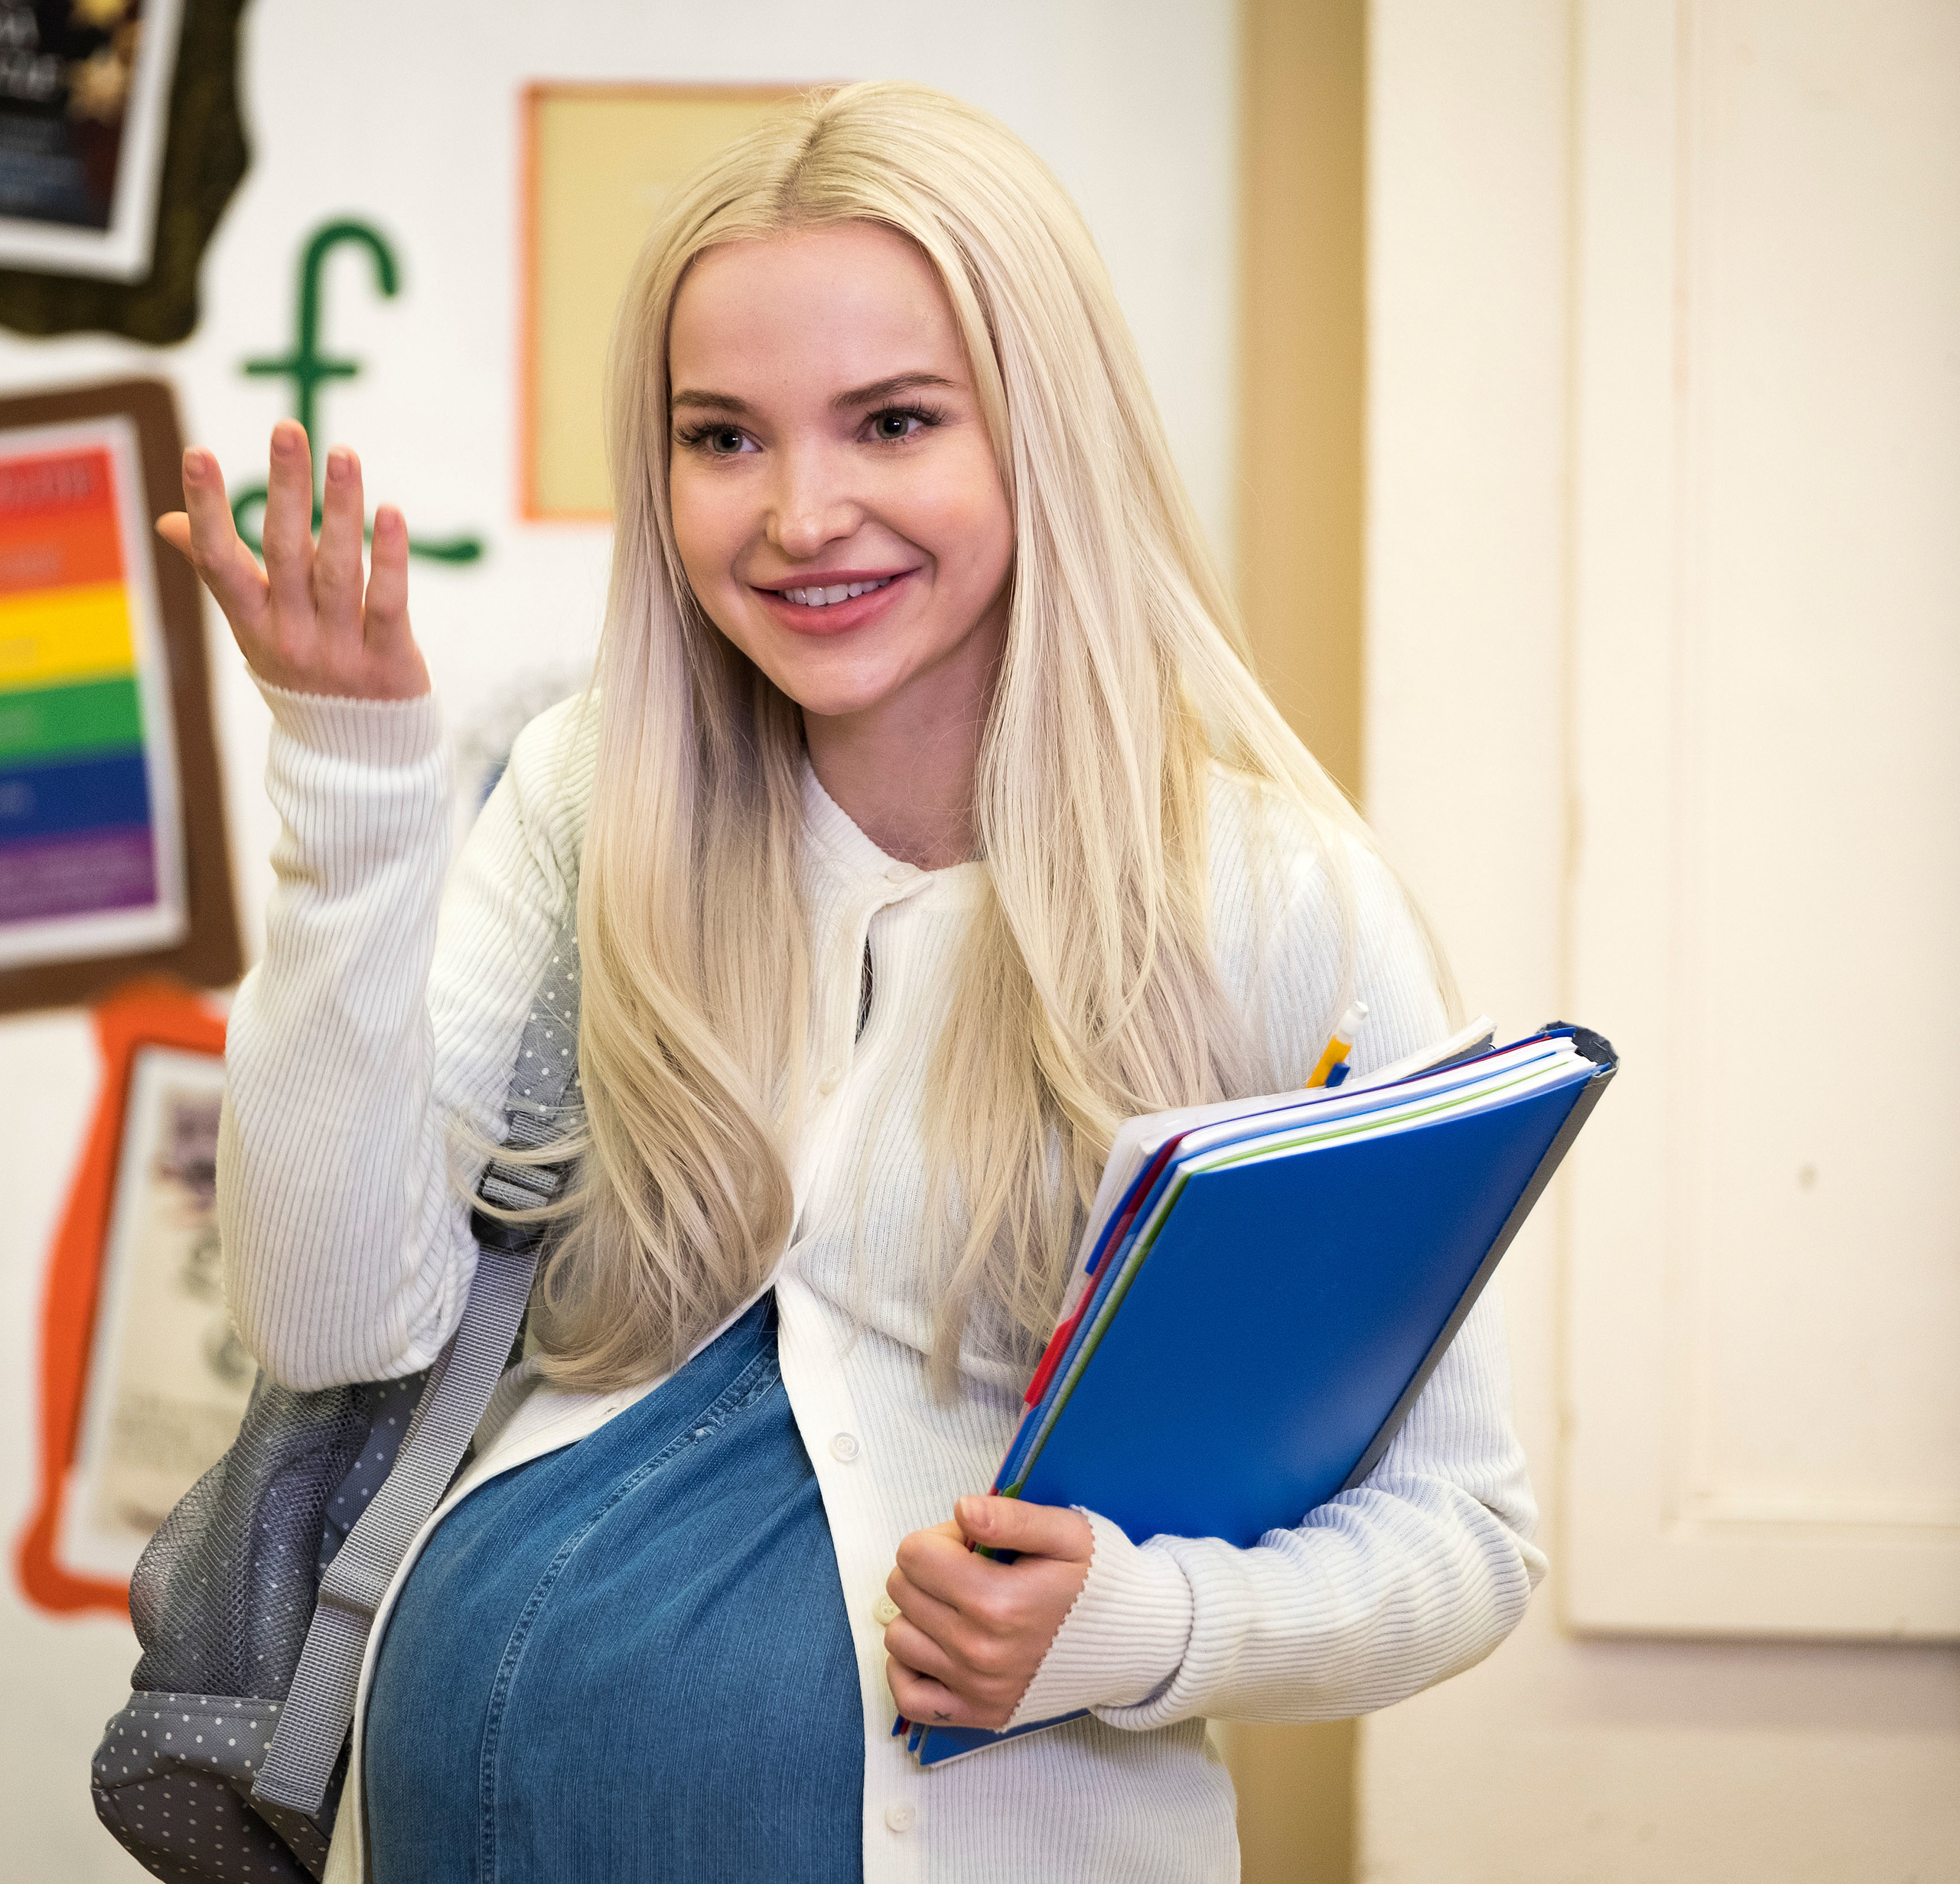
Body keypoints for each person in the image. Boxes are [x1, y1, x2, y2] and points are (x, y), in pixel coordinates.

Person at [157, 79, 1541, 1884]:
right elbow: (335, 1319)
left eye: (890, 421)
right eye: (721, 437)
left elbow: (1465, 1534)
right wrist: (350, 791)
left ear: (1043, 430)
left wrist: (1142, 1624)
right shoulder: (592, 802)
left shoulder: (1261, 898)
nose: (801, 512)